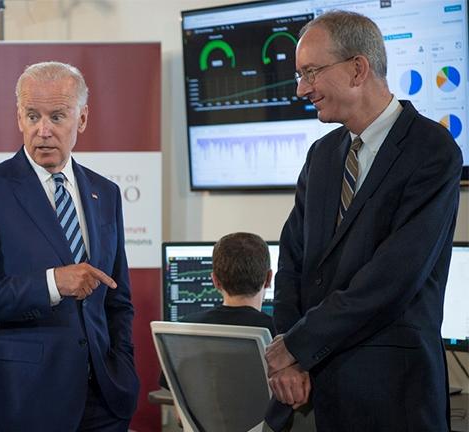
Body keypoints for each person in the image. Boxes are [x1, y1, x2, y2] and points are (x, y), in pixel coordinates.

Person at [265, 10, 462, 432]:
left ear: (358, 69)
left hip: (392, 398)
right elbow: (292, 263)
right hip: (313, 393)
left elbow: (391, 280)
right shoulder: (321, 156)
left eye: (311, 73)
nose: (303, 89)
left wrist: (297, 345)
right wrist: (287, 355)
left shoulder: (432, 150)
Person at [0, 61, 139, 431]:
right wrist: (52, 283)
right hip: (22, 402)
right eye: (32, 116)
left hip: (104, 400)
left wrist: (122, 364)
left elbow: (118, 299)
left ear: (82, 119)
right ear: (18, 117)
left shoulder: (106, 193)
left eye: (57, 116)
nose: (43, 130)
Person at [159, 232, 276, 390]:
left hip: (201, 416)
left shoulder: (183, 332)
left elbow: (179, 407)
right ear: (269, 278)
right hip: (265, 416)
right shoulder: (284, 334)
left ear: (215, 281)